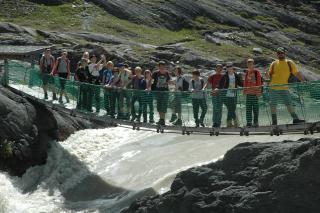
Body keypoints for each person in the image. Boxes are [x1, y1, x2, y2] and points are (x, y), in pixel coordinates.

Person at [267, 47, 305, 125]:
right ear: (277, 54)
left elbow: (296, 73)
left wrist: (303, 81)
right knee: (273, 104)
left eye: (282, 53)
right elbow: (269, 74)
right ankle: (274, 122)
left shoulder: (289, 62)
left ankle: (295, 119)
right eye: (279, 53)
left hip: (284, 87)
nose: (280, 54)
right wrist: (266, 75)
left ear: (284, 53)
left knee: (289, 103)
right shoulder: (273, 63)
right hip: (273, 87)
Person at [219, 62, 243, 127]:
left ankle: (229, 123)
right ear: (226, 69)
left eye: (230, 67)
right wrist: (218, 90)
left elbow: (240, 83)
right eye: (228, 68)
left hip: (234, 94)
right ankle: (236, 123)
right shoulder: (224, 76)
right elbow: (220, 84)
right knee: (230, 108)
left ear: (232, 68)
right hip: (226, 95)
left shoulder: (236, 75)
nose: (229, 69)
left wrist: (245, 83)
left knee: (233, 108)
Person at [243, 59, 263, 127]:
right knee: (248, 109)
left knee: (255, 108)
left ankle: (256, 122)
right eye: (248, 64)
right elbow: (245, 83)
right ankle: (249, 122)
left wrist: (258, 92)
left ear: (253, 64)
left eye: (251, 64)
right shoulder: (247, 73)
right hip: (248, 94)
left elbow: (259, 82)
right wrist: (244, 91)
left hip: (255, 93)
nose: (249, 65)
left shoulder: (256, 72)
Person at [152, 61, 171, 126]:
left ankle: (163, 119)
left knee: (164, 105)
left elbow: (168, 81)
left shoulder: (167, 73)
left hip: (165, 92)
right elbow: (151, 80)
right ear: (159, 66)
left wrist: (173, 83)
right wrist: (149, 87)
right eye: (161, 66)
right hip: (158, 92)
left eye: (163, 66)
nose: (162, 68)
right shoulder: (155, 73)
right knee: (159, 105)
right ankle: (161, 119)